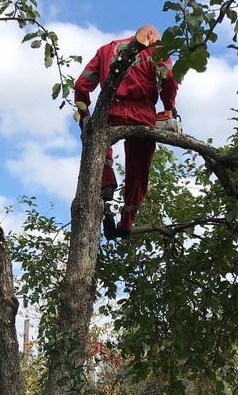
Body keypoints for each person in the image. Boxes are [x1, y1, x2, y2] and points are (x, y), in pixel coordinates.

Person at [74, 25, 178, 240]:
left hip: (109, 111)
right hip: (142, 114)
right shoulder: (156, 51)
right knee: (138, 170)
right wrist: (169, 107)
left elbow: (81, 85)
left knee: (99, 153)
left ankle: (104, 189)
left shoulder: (105, 50)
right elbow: (170, 78)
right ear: (150, 36)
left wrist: (85, 117)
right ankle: (127, 220)